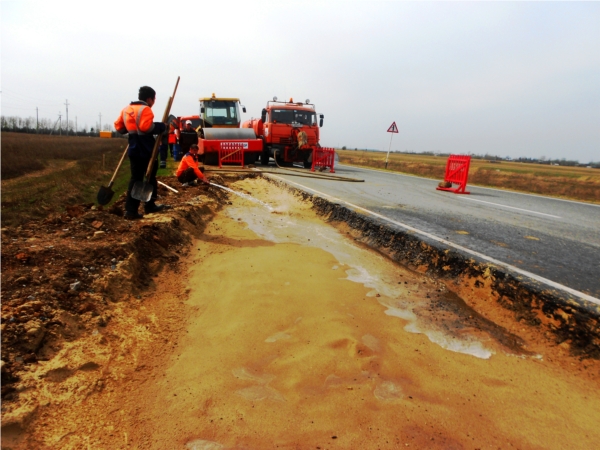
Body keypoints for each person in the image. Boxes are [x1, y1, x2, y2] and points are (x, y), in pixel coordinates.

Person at [114, 85, 171, 220]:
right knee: (150, 176)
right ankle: (147, 206)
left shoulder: (126, 109)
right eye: (154, 99)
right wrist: (161, 126)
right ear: (149, 99)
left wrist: (131, 129)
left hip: (133, 148)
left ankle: (131, 210)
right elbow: (147, 127)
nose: (154, 102)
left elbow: (119, 127)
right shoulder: (146, 110)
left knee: (136, 178)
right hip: (146, 148)